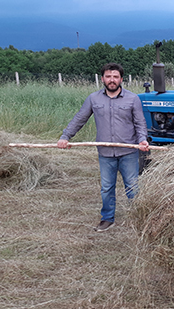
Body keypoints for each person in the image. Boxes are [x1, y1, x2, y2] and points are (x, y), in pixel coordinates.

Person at [57, 63, 149, 232]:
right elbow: (79, 119)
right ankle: (107, 218)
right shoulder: (93, 99)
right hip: (105, 153)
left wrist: (142, 140)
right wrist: (65, 136)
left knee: (133, 187)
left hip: (128, 151)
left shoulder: (133, 99)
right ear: (103, 79)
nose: (112, 80)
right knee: (107, 188)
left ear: (121, 79)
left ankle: (140, 218)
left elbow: (140, 123)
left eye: (115, 77)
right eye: (108, 76)